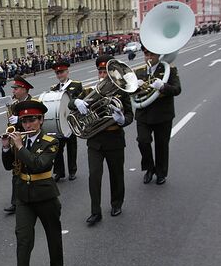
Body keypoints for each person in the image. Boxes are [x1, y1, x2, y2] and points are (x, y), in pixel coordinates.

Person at [1, 100, 64, 266]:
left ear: (41, 120)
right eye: (25, 121)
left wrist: (19, 146)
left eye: (32, 120)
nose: (28, 125)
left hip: (45, 195)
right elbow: (8, 165)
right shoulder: (19, 140)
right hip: (23, 196)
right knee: (23, 239)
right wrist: (5, 147)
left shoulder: (51, 142)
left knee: (52, 233)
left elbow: (39, 165)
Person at [70, 55, 134, 225]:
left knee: (116, 175)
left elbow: (129, 115)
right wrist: (76, 102)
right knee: (94, 176)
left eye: (105, 72)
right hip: (95, 141)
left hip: (114, 139)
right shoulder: (90, 90)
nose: (102, 75)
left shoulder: (121, 92)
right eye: (100, 71)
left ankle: (116, 203)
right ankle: (95, 211)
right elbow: (70, 103)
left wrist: (121, 120)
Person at [134, 44, 182, 185]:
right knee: (143, 141)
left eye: (152, 55)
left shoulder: (169, 70)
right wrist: (134, 87)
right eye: (146, 55)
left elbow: (177, 89)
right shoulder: (139, 72)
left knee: (162, 145)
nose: (148, 58)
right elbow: (131, 94)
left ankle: (161, 173)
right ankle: (149, 168)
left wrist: (162, 86)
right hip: (144, 114)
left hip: (163, 114)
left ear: (158, 56)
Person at [3, 76, 35, 214]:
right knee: (16, 170)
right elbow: (11, 124)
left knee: (31, 169)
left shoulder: (33, 103)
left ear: (24, 89)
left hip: (30, 139)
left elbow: (38, 121)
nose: (14, 91)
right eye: (14, 89)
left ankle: (33, 198)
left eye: (16, 89)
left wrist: (20, 119)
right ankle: (15, 201)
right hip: (17, 139)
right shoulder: (14, 104)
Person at [50, 60, 83, 182]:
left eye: (62, 72)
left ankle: (72, 170)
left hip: (71, 121)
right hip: (58, 123)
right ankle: (59, 172)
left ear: (67, 72)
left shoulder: (76, 85)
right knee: (57, 149)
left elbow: (80, 102)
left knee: (71, 147)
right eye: (57, 73)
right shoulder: (53, 88)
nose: (59, 75)